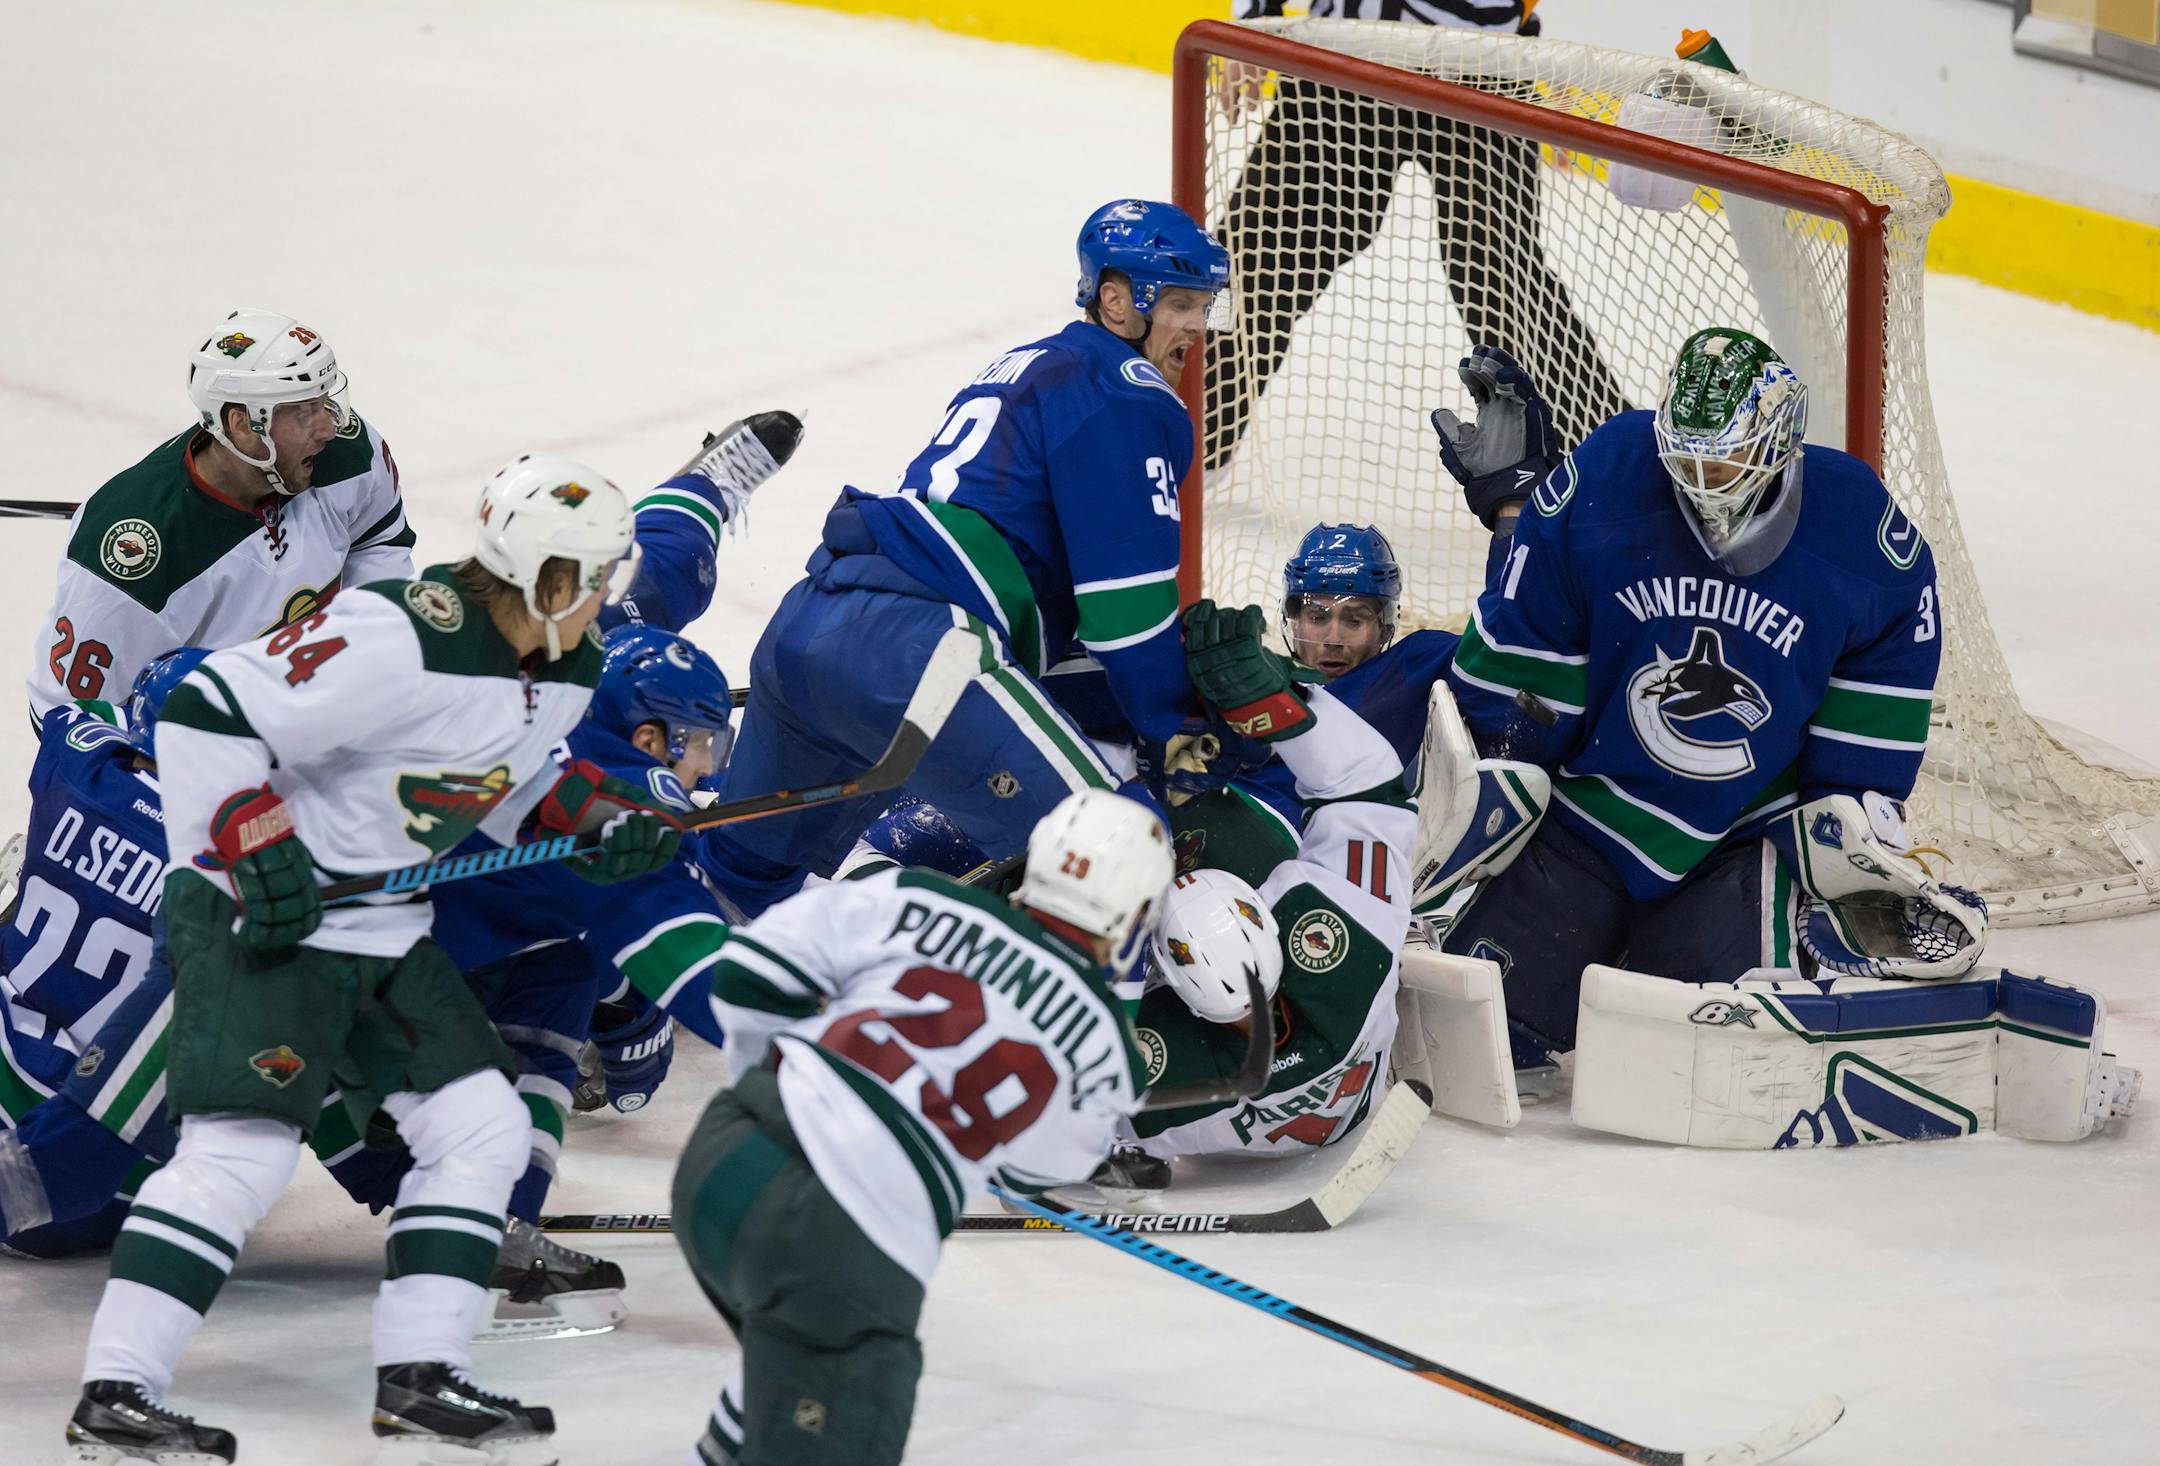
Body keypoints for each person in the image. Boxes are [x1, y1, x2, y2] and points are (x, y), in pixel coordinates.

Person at [61, 453, 684, 1466]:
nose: (610, 594)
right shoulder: (395, 634)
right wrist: (249, 837)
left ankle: (421, 1380)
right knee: (240, 1153)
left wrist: (592, 819)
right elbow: (205, 709)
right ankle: (116, 1397)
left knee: (480, 1129)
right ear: (548, 578)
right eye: (599, 575)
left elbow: (507, 782)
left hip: (382, 927)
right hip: (258, 921)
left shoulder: (566, 668)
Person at [1430, 330, 1983, 1074]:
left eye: (1722, 460)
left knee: (1716, 1060)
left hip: (1742, 835)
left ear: (1780, 439)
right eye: (1685, 459)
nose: (1701, 481)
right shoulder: (1609, 475)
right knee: (1475, 1036)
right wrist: (1493, 795)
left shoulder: (1859, 530)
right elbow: (1524, 675)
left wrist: (1845, 835)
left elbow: (1874, 708)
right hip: (1588, 813)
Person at [697, 199, 1230, 918]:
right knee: (1119, 867)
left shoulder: (1028, 363)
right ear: (1115, 300)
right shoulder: (1127, 391)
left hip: (808, 625)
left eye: (1204, 306)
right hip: (919, 651)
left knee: (736, 884)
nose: (1198, 326)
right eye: (1180, 304)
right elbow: (1125, 617)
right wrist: (1175, 724)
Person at [669, 787, 1173, 1466]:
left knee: (784, 1375)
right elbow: (1034, 1173)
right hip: (844, 1238)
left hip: (723, 1157)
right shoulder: (1106, 1051)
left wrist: (793, 1092)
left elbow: (748, 974)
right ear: (1134, 912)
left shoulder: (916, 896)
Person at [1206, 1, 1631, 471]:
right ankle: (1180, 439)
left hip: (1485, 65)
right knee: (1255, 259)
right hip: (1343, 56)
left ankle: (1617, 470)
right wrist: (1257, 16)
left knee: (1503, 288)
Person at [1122, 602, 1417, 1167]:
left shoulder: (1158, 1071)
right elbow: (1371, 787)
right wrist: (1276, 701)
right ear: (1266, 915)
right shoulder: (1356, 950)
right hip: (1355, 1097)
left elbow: (1033, 1115)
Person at [27, 309, 414, 718]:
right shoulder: (133, 560)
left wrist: (364, 660)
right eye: (304, 412)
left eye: (324, 402)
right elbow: (69, 719)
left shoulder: (349, 454)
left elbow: (379, 541)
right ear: (242, 425)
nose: (328, 428)